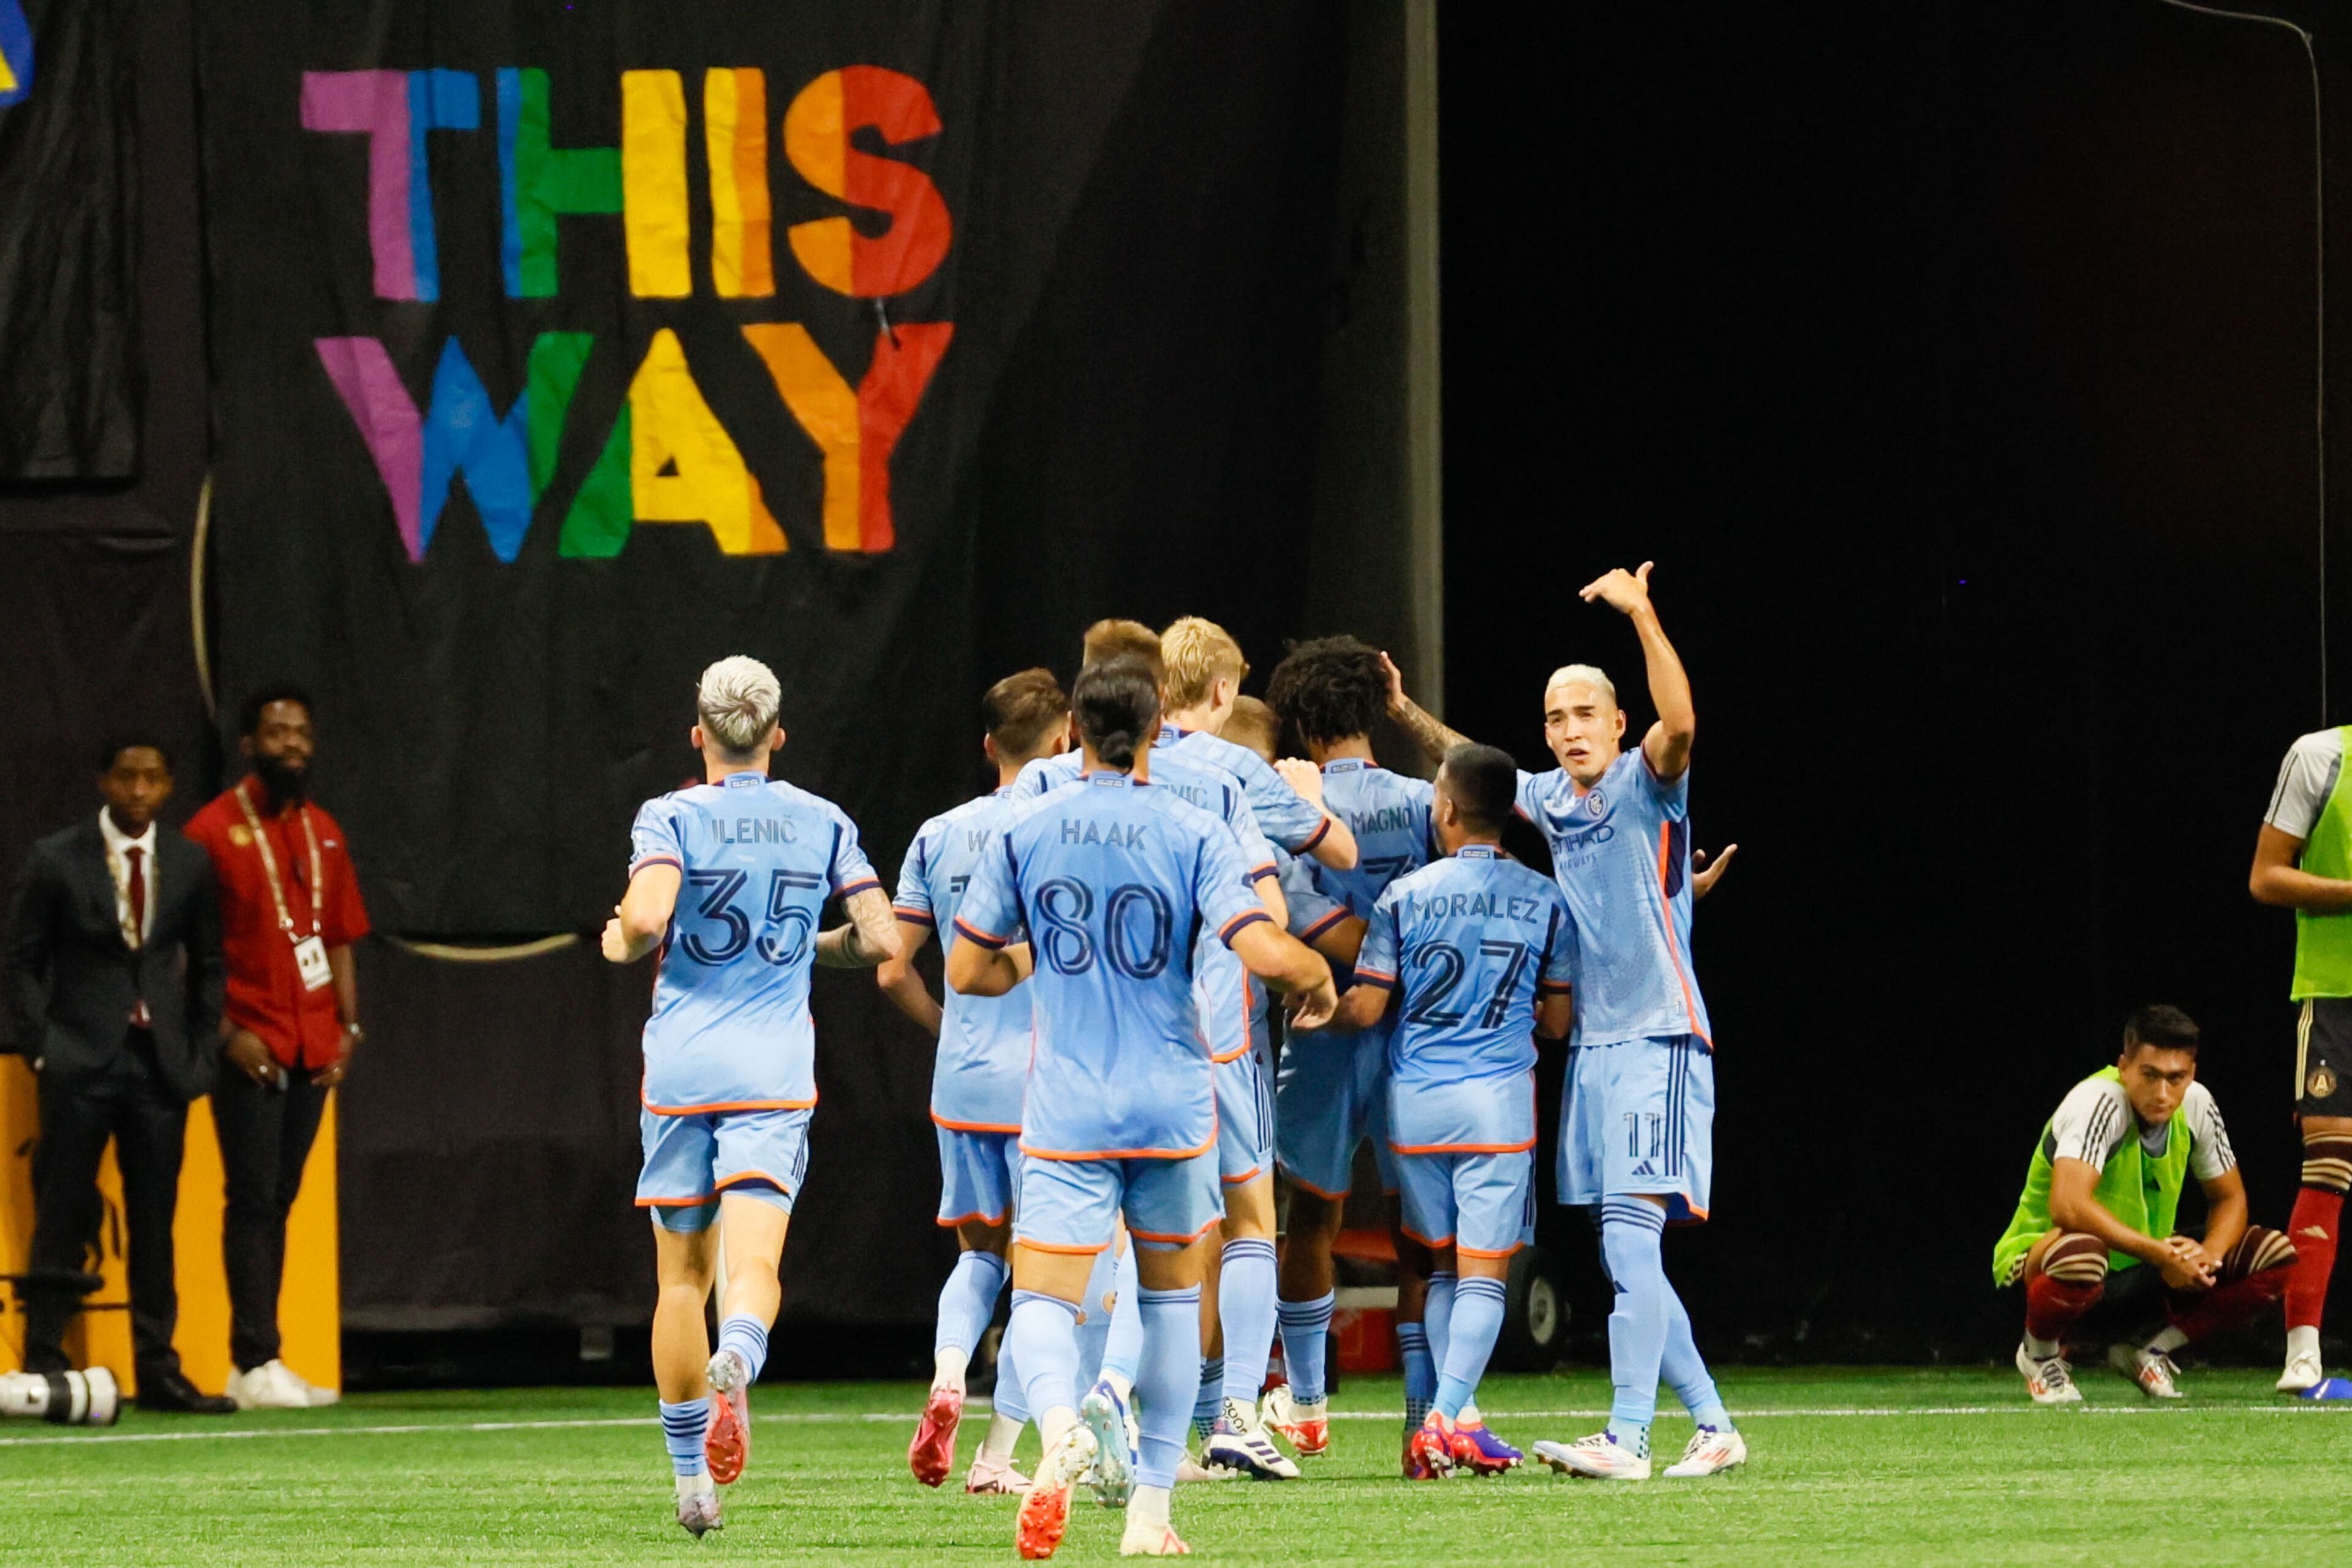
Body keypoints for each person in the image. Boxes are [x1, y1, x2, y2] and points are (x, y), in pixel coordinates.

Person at [946, 655, 1336, 1559]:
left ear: (1074, 730)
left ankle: (1054, 1430)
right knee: (1167, 1308)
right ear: (1159, 723)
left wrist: (1026, 964)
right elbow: (1260, 945)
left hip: (1067, 1105)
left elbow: (969, 969)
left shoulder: (1026, 829)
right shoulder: (1194, 829)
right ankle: (1150, 1517)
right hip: (1169, 1101)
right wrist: (1314, 974)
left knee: (1044, 1300)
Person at [1388, 562, 1743, 1481]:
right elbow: (1474, 765)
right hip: (1595, 1048)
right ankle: (1711, 1423)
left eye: (1587, 712)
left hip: (1658, 1036)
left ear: (1617, 723)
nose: (1571, 728)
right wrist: (1404, 714)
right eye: (1557, 718)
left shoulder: (1648, 778)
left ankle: (1628, 1438)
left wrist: (1642, 613)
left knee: (1630, 1240)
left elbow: (1686, 723)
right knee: (1626, 1253)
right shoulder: (1550, 798)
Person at [599, 655, 902, 1537]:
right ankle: (745, 1352)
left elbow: (649, 917)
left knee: (680, 1280)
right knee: (755, 1265)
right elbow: (882, 938)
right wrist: (812, 944)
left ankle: (693, 1485)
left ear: (699, 735)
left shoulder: (672, 815)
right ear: (776, 735)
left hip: (686, 1068)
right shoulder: (823, 821)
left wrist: (622, 942)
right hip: (771, 1070)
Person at [1009, 622, 1300, 1480]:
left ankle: (1092, 1403)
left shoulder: (1040, 789)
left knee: (1080, 1258)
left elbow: (986, 941)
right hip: (1200, 1043)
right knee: (1235, 1228)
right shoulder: (1219, 782)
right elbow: (1281, 911)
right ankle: (1230, 1413)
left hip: (1071, 1060)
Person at [1331, 744, 1574, 1475]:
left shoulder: (1404, 895)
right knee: (1482, 1274)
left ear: (1445, 808)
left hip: (1415, 1105)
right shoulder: (1546, 898)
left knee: (1437, 1268)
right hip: (1494, 1107)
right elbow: (1557, 1024)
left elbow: (1370, 1003)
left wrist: (1316, 1002)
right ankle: (1444, 1420)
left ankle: (1444, 1418)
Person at [881, 668, 1072, 1495]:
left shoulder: (938, 832)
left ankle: (949, 1374)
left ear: (989, 746)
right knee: (1048, 1277)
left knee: (980, 1254)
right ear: (1064, 743)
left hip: (963, 1081)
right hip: (1050, 1083)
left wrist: (947, 1028)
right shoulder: (1068, 827)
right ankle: (996, 1456)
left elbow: (893, 968)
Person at [4, 739, 235, 1414]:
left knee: (155, 1220)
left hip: (158, 1065)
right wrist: (43, 1048)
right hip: (80, 1060)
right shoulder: (57, 857)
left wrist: (196, 1053)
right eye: (127, 777)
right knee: (63, 1208)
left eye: (154, 778)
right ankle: (46, 1358)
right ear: (103, 780)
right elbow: (21, 961)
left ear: (168, 787)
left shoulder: (189, 861)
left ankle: (158, 1366)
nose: (139, 790)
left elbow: (211, 963)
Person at [1259, 635, 1444, 1470]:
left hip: (1326, 1030)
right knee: (1423, 1234)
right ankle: (1422, 1421)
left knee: (1312, 1218)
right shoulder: (1424, 802)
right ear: (1376, 712)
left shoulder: (1284, 808)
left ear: (1297, 721)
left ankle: (1306, 1405)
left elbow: (1287, 921)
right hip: (1417, 1034)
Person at [184, 686, 369, 1411]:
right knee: (253, 1201)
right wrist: (226, 1033)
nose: (290, 744)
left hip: (312, 1043)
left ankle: (262, 1358)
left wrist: (348, 1031)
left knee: (279, 1201)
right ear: (248, 745)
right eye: (275, 732)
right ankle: (252, 1357)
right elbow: (188, 952)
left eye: (301, 732)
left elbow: (341, 938)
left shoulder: (324, 830)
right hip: (250, 1039)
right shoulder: (210, 830)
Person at [1992, 1006, 2293, 1403]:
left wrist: (2207, 1256)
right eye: (2149, 1075)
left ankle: (2148, 1351)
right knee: (2082, 1253)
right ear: (2124, 1067)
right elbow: (2068, 1206)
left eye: (2176, 1078)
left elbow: (2230, 1198)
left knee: (2273, 1255)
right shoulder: (2099, 1102)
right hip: (2047, 1272)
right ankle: (2040, 1353)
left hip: (2140, 1272)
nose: (2163, 1093)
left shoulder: (2198, 1104)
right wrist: (2161, 1252)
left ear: (2192, 1073)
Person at [2248, 725, 2352, 1392]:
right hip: (2337, 994)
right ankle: (2303, 1352)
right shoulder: (2322, 754)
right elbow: (2266, 876)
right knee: (2331, 1160)